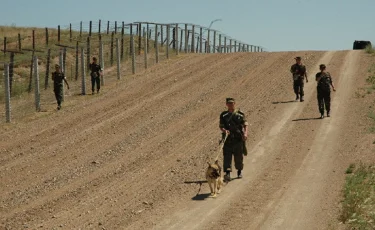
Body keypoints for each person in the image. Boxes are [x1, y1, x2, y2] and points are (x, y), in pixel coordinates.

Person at [219, 98, 248, 181]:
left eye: (232, 103)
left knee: (238, 156)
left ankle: (239, 171)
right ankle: (227, 173)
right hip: (227, 139)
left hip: (238, 139)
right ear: (226, 104)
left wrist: (245, 133)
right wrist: (225, 130)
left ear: (234, 103)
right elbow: (221, 126)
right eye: (229, 103)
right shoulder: (223, 115)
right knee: (227, 157)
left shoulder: (240, 114)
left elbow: (245, 124)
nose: (230, 105)